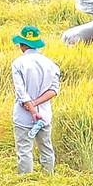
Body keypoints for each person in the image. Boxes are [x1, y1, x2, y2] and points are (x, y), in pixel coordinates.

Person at [11, 25, 61, 174]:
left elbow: (21, 92)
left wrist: (31, 109)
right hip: (44, 115)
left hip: (24, 115)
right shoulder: (51, 64)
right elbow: (54, 90)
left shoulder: (18, 63)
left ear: (22, 45)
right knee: (46, 148)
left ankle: (26, 182)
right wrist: (37, 104)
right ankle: (49, 178)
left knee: (24, 150)